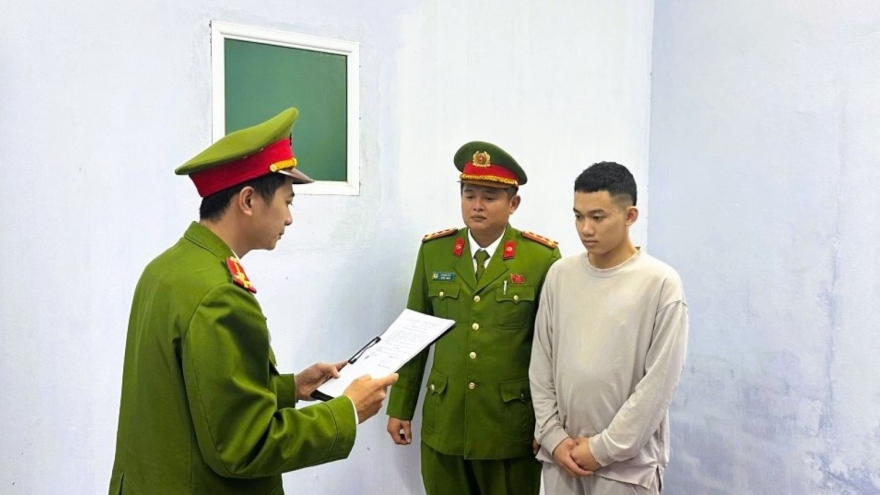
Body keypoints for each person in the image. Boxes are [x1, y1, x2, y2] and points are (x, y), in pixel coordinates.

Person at [109, 108, 398, 495]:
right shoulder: (220, 296)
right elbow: (245, 446)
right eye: (287, 201)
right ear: (248, 200)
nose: (289, 218)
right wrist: (345, 411)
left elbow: (199, 393)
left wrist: (290, 388)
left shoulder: (167, 269)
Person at [385, 141, 561, 495]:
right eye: (469, 195)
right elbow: (415, 334)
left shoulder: (541, 258)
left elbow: (554, 350)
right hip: (445, 421)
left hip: (509, 426)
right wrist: (400, 406)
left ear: (513, 204)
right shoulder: (435, 252)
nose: (477, 205)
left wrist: (550, 425)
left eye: (489, 196)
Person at [529, 162, 688, 495]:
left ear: (630, 216)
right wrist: (553, 436)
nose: (585, 229)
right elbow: (541, 363)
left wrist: (602, 448)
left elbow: (658, 384)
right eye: (578, 216)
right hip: (562, 458)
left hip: (626, 470)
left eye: (598, 217)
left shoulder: (660, 283)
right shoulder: (560, 275)